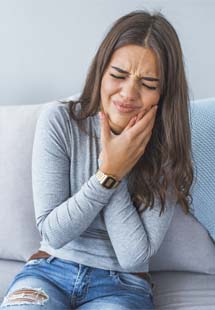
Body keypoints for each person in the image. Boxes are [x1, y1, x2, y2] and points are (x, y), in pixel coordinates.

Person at [0, 9, 193, 310]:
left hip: (123, 286)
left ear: (164, 94)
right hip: (49, 271)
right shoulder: (59, 121)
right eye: (118, 75)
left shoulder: (167, 145)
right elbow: (53, 232)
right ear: (101, 71)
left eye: (148, 84)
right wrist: (108, 173)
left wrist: (118, 165)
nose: (128, 93)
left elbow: (134, 256)